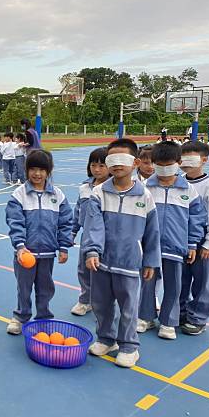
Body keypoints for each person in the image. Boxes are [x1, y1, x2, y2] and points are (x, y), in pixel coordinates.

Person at [82, 138, 161, 368]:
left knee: (129, 307)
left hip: (129, 263)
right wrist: (92, 251)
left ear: (135, 162)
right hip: (102, 263)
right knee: (101, 304)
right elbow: (93, 226)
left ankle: (128, 346)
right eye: (111, 160)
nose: (117, 165)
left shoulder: (144, 195)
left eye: (122, 159)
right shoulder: (99, 193)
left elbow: (152, 232)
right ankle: (106, 339)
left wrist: (150, 261)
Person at [138, 141, 206, 340]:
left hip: (176, 248)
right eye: (159, 164)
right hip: (150, 247)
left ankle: (168, 322)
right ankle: (146, 317)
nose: (164, 169)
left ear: (178, 163)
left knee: (174, 287)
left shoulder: (188, 190)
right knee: (147, 284)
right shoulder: (145, 188)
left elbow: (197, 219)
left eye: (169, 164)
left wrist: (192, 243)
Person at [5, 149, 73, 335]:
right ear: (26, 170)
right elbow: (15, 222)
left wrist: (64, 246)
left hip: (47, 254)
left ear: (48, 171)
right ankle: (21, 316)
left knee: (45, 288)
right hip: (25, 253)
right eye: (33, 169)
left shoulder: (57, 195)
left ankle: (43, 317)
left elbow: (66, 222)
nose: (37, 174)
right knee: (24, 288)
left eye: (42, 170)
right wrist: (20, 246)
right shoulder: (19, 195)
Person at [179, 141, 209, 335]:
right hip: (180, 240)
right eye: (182, 158)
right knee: (181, 278)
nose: (185, 162)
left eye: (191, 158)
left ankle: (198, 317)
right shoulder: (178, 182)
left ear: (204, 160)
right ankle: (180, 311)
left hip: (204, 242)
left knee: (204, 282)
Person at [71, 147, 110, 316]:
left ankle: (104, 302)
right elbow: (77, 211)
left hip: (107, 238)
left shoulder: (112, 188)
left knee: (104, 272)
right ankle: (85, 300)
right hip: (87, 237)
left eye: (102, 166)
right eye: (94, 165)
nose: (97, 169)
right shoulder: (84, 187)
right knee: (84, 270)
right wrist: (72, 232)